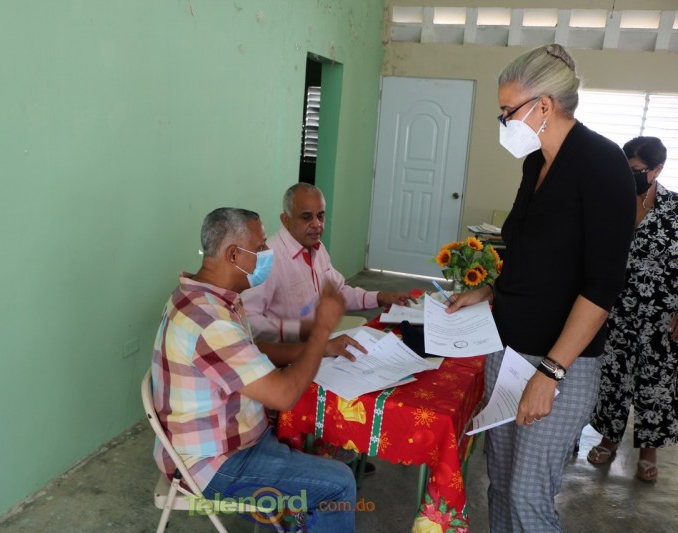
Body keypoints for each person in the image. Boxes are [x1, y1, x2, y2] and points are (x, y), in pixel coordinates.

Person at [446, 44, 636, 531]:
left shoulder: (602, 164)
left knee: (528, 495)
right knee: (500, 483)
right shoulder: (536, 162)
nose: (503, 122)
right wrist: (490, 291)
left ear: (544, 106)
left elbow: (601, 287)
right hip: (508, 350)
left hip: (558, 363)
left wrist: (549, 374)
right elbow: (530, 252)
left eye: (507, 111)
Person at [150, 207, 358, 531]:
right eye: (260, 248)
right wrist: (320, 332)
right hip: (216, 464)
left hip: (224, 442)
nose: (266, 254)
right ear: (233, 255)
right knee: (339, 484)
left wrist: (320, 348)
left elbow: (250, 351)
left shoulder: (200, 295)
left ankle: (301, 520)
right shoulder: (211, 321)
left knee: (315, 440)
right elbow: (283, 394)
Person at [588, 136, 678, 482]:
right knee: (612, 377)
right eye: (625, 169)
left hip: (662, 314)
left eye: (637, 170)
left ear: (657, 170)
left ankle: (649, 450)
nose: (630, 176)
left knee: (655, 382)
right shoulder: (612, 201)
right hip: (613, 309)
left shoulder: (674, 207)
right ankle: (608, 440)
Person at [242, 182, 414, 343]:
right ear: (286, 220)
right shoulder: (268, 258)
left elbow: (337, 292)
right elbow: (246, 319)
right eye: (306, 217)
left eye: (321, 216)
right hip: (284, 352)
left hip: (317, 342)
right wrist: (296, 330)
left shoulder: (317, 248)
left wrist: (380, 297)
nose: (317, 224)